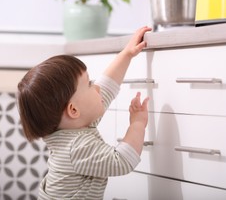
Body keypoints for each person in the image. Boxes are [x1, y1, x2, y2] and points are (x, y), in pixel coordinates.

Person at [17, 26, 152, 199]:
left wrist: (127, 54)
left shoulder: (70, 128)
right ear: (73, 110)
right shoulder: (78, 146)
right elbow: (122, 161)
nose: (96, 86)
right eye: (89, 84)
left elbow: (106, 87)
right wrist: (138, 124)